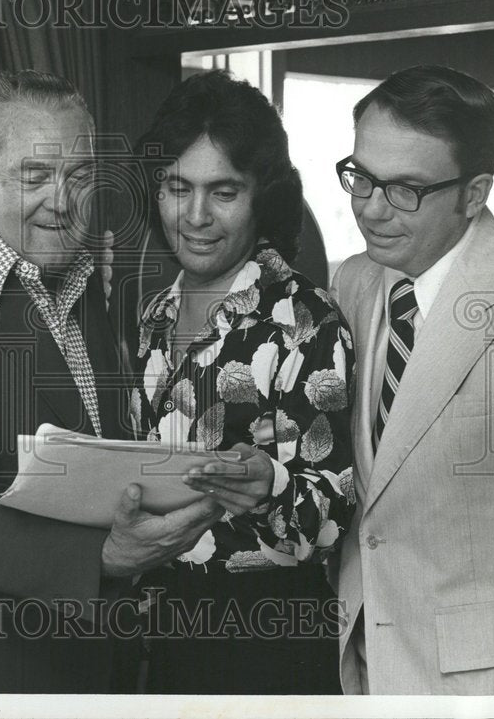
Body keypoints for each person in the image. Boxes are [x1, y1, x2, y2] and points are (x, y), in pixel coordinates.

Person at [0, 70, 226, 693]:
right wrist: (106, 557)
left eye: (79, 177)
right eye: (35, 177)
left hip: (89, 665)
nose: (62, 200)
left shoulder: (87, 284)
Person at [331, 65, 494, 695]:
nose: (371, 209)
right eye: (361, 177)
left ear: (475, 193)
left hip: (481, 683)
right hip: (363, 662)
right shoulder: (354, 281)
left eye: (406, 188)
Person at [127, 70, 356, 694]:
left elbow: (331, 515)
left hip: (269, 635)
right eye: (178, 187)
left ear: (263, 198)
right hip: (160, 628)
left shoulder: (304, 321)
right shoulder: (154, 315)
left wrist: (270, 484)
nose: (196, 216)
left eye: (223, 191)